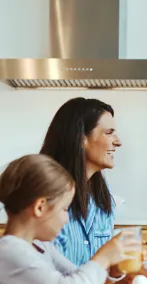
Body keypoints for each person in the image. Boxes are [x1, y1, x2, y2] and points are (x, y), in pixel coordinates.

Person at [0, 154, 125, 284]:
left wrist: (112, 269)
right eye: (64, 209)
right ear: (40, 207)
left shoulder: (40, 246)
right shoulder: (10, 252)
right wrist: (103, 257)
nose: (67, 219)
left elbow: (79, 280)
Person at [39, 97, 121, 266]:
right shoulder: (47, 194)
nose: (118, 141)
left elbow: (103, 272)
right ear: (81, 138)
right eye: (108, 132)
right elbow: (51, 272)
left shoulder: (103, 198)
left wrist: (118, 275)